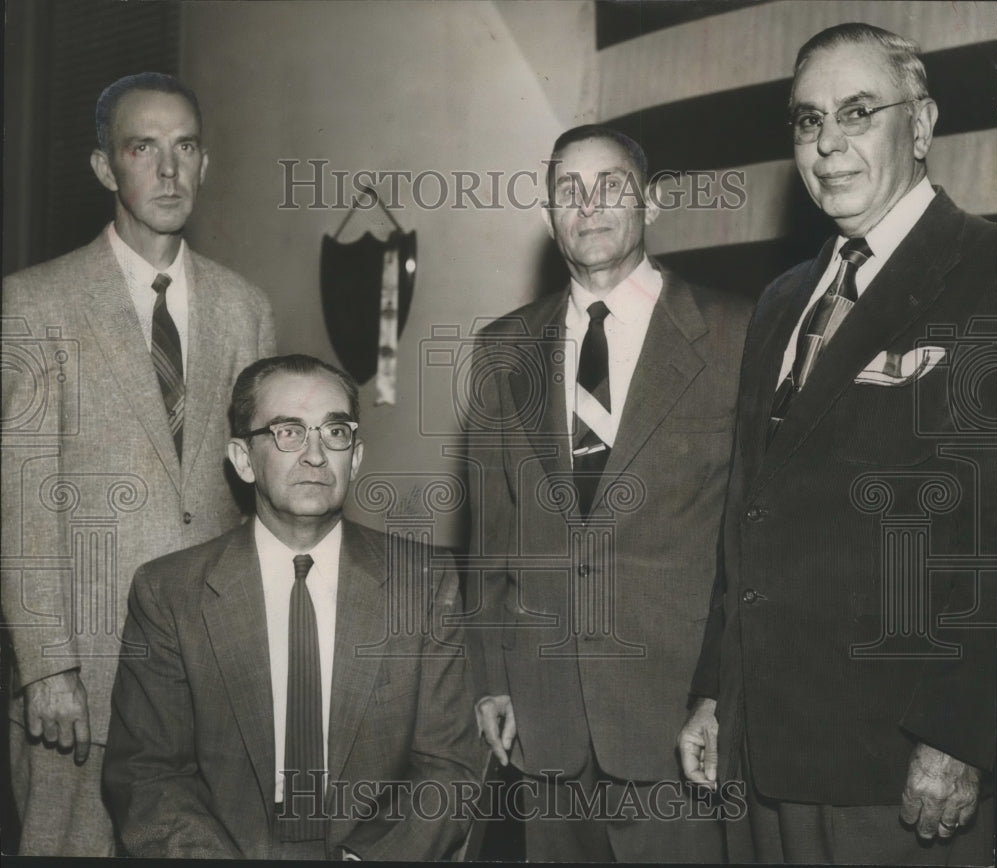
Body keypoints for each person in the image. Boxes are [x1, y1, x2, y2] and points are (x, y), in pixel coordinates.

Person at [678, 23, 997, 865]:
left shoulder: (986, 273)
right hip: (763, 754)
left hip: (898, 766)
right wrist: (716, 690)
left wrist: (959, 733)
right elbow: (749, 511)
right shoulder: (783, 300)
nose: (828, 146)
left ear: (921, 125)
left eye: (857, 113)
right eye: (806, 120)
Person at [1, 72, 275, 855]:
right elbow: (20, 496)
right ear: (103, 168)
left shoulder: (244, 305)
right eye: (142, 148)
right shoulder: (34, 304)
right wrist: (45, 665)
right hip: (82, 672)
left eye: (184, 147)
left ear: (205, 163)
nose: (167, 171)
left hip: (215, 668)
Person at [468, 125, 752, 861]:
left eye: (610, 186)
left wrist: (723, 691)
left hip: (680, 719)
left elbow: (752, 537)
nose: (588, 206)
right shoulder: (502, 349)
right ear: (547, 216)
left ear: (650, 203)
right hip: (545, 715)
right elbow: (491, 534)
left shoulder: (735, 333)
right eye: (569, 190)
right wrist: (492, 679)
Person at [103, 354, 480, 859]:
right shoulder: (170, 591)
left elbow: (448, 770)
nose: (316, 455)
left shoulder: (423, 584)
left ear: (357, 456)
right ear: (242, 458)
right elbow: (147, 776)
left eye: (336, 432)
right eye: (288, 432)